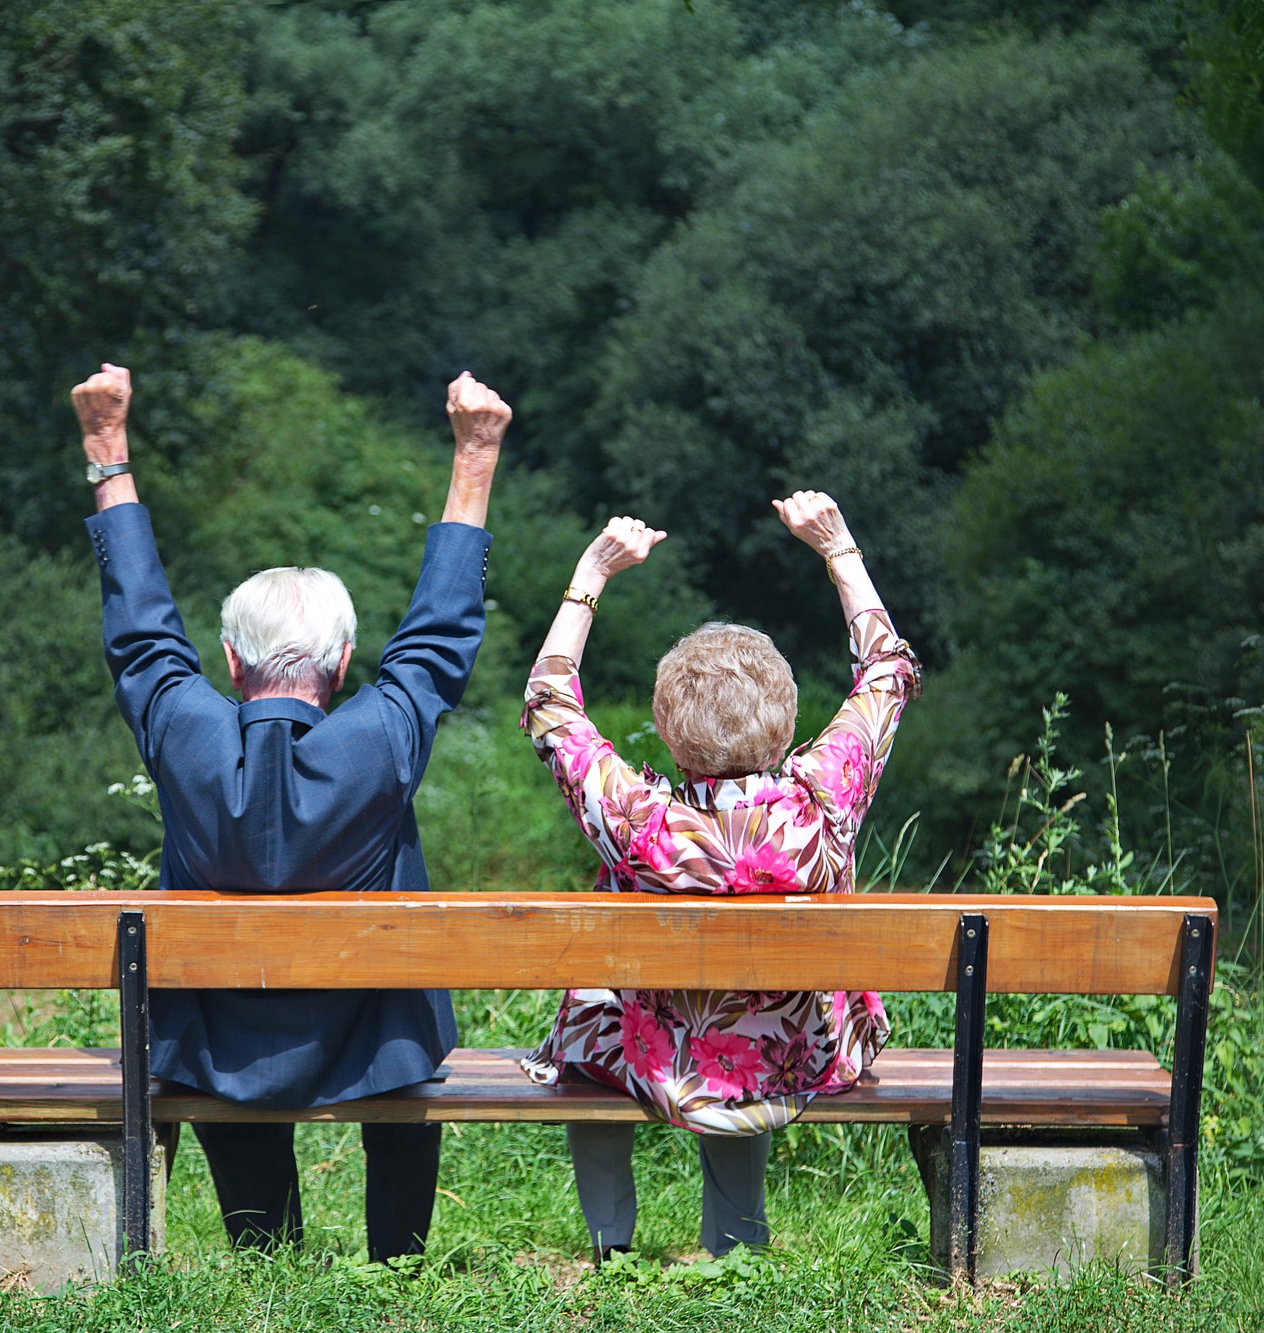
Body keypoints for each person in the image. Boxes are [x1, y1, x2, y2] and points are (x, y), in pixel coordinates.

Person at [72, 361, 510, 1264]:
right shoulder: (379, 742)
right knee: (408, 1040)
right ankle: (397, 1262)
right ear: (344, 660)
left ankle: (268, 1262)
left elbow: (143, 636)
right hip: (374, 1045)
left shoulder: (186, 737)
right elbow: (435, 639)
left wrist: (106, 445)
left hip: (223, 1053)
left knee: (213, 1044)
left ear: (231, 663)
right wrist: (475, 452)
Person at [516, 493, 922, 1262]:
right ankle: (736, 1246)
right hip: (792, 1054)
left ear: (668, 730)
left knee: (588, 1018)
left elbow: (549, 700)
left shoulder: (640, 820)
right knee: (745, 1027)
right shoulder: (822, 800)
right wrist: (839, 550)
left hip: (653, 1052)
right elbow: (888, 673)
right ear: (789, 718)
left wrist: (590, 576)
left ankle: (612, 1246)